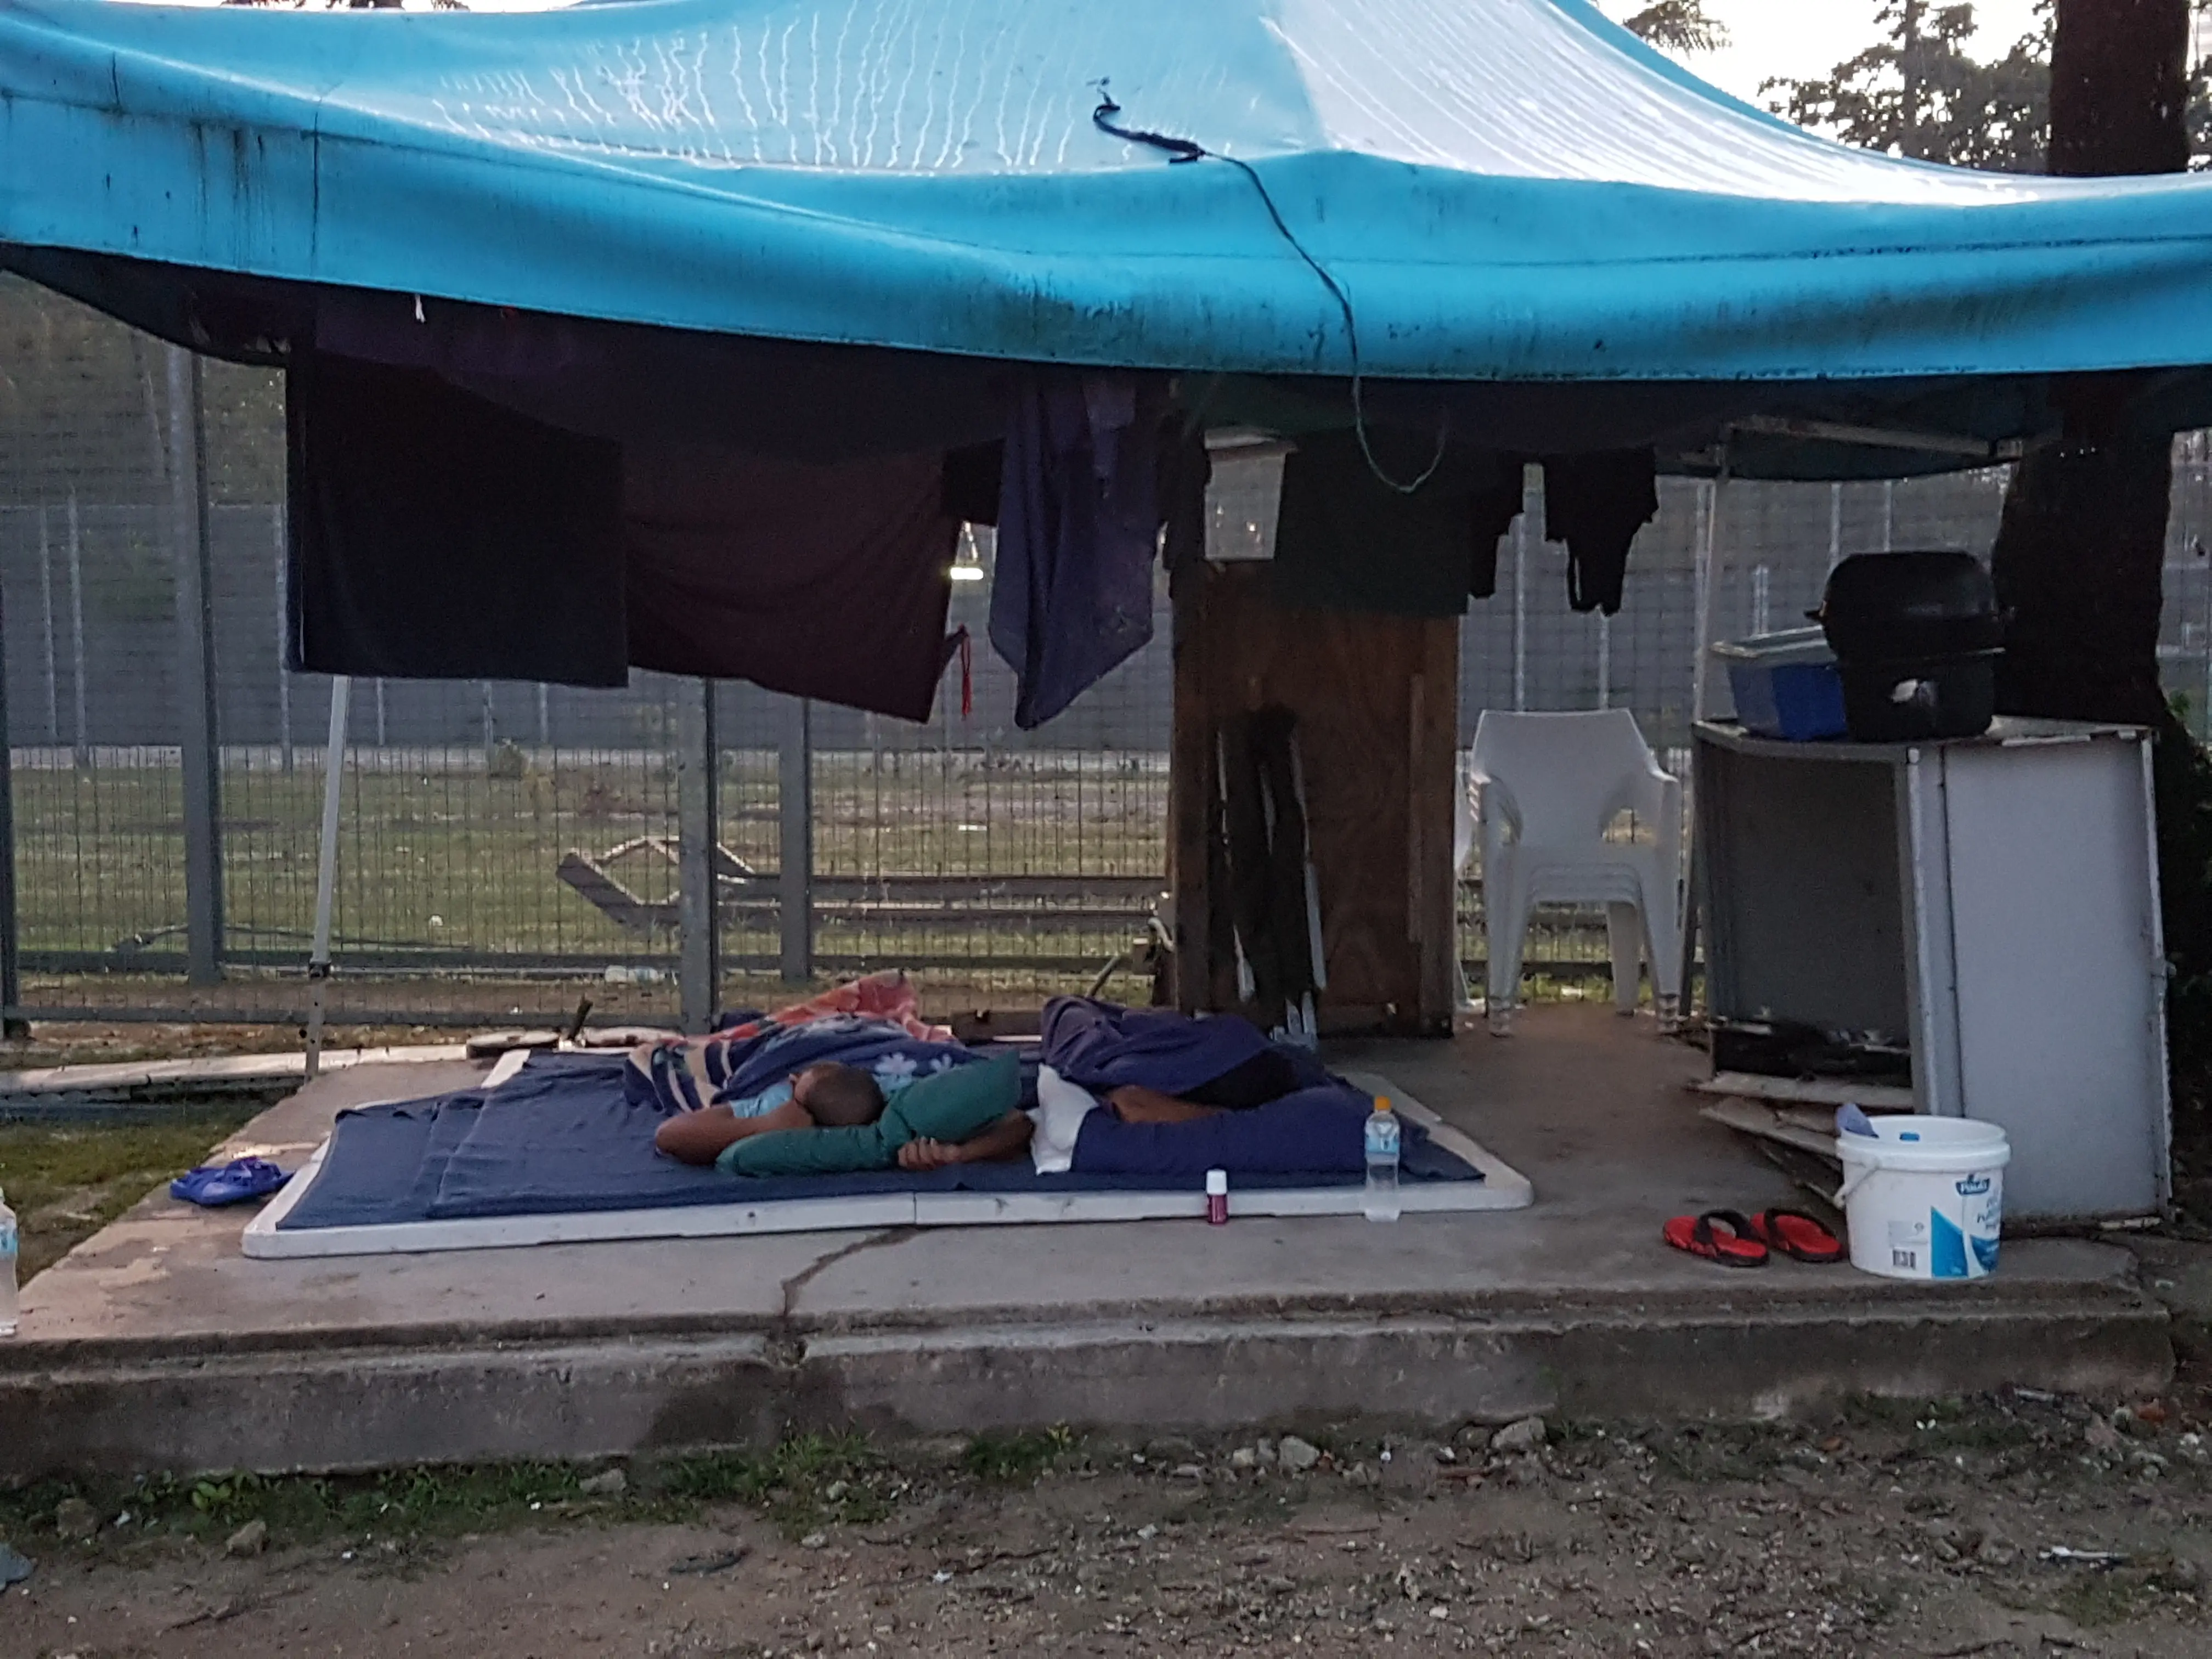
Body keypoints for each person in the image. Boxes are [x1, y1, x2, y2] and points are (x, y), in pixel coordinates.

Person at [654, 1061, 886, 1166]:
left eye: (795, 1083)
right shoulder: (892, 1088)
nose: (790, 1078)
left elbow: (670, 1135)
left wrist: (763, 1126)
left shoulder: (780, 1104)